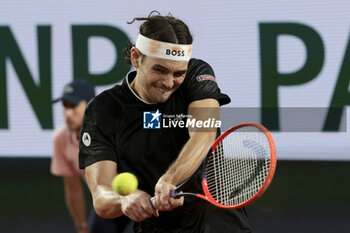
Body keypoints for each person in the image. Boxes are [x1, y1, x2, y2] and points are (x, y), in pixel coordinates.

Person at [79, 11, 252, 232]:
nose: (169, 82)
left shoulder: (197, 75)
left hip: (217, 222)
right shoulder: (103, 110)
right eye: (160, 70)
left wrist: (170, 179)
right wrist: (123, 200)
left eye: (178, 73)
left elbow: (204, 134)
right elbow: (101, 195)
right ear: (136, 58)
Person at [51, 79, 132, 233]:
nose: (68, 113)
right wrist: (81, 226)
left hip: (144, 192)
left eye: (73, 106)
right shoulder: (60, 139)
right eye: (65, 106)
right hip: (110, 200)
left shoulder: (114, 129)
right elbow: (72, 188)